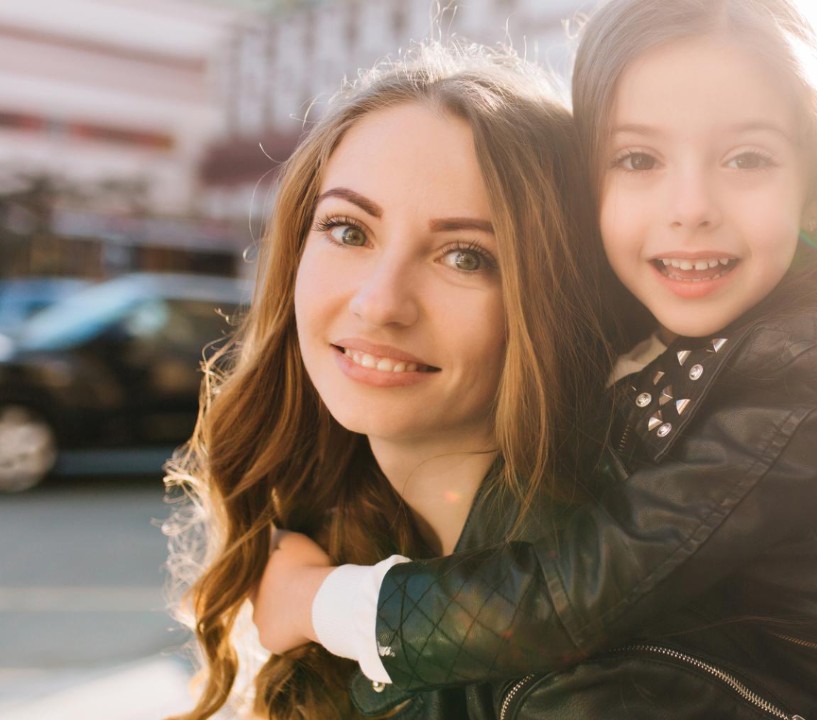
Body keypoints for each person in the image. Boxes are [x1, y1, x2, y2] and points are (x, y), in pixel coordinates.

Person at [254, 1, 817, 718]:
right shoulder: (662, 340)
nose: (691, 210)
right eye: (638, 159)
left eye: (746, 159)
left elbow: (576, 595)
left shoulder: (808, 368)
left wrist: (325, 603)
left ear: (814, 189)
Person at [163, 45, 627, 720]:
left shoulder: (596, 621)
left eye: (466, 256)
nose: (381, 303)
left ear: (555, 299)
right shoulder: (335, 530)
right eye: (349, 230)